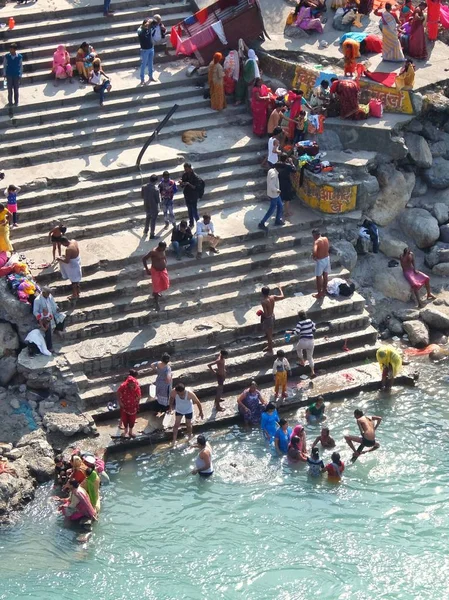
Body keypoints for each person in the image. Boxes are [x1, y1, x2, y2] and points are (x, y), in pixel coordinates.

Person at [142, 241, 170, 311]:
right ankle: (156, 302)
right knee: (156, 286)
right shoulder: (153, 252)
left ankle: (156, 293)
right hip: (156, 271)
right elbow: (144, 259)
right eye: (163, 248)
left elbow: (164, 257)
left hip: (163, 270)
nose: (164, 249)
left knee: (164, 283)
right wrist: (147, 270)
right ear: (159, 247)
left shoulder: (163, 250)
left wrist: (165, 262)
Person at [288, 309, 316, 376]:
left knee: (298, 349)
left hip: (303, 341)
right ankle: (313, 372)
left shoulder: (299, 323)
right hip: (311, 341)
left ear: (299, 317)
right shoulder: (310, 321)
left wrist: (290, 332)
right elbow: (314, 329)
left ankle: (302, 361)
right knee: (310, 357)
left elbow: (297, 332)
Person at [258, 284, 285, 355]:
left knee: (269, 335)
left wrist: (260, 313)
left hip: (268, 319)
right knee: (269, 334)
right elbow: (282, 296)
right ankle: (269, 346)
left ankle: (270, 351)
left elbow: (266, 314)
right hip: (272, 316)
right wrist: (280, 289)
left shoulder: (264, 301)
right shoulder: (273, 297)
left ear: (262, 293)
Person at [117, 372, 141, 438]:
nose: (132, 387)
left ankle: (130, 432)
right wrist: (120, 402)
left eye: (133, 385)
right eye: (130, 385)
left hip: (133, 407)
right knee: (125, 420)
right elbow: (118, 393)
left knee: (132, 420)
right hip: (124, 406)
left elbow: (139, 395)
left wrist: (137, 402)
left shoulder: (137, 387)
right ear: (128, 384)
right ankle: (125, 432)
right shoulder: (123, 386)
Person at [179, 163, 200, 228]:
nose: (185, 170)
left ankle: (199, 224)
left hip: (193, 196)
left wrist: (188, 184)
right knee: (189, 210)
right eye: (184, 169)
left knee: (194, 211)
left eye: (186, 169)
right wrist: (181, 183)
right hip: (187, 195)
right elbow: (182, 185)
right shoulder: (185, 175)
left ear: (190, 169)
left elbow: (196, 187)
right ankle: (191, 223)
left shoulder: (195, 177)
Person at [275, 154, 296, 219]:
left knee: (280, 197)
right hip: (286, 183)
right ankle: (287, 212)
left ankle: (280, 211)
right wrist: (291, 162)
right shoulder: (288, 166)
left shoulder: (276, 164)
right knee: (287, 199)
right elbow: (294, 170)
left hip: (278, 182)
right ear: (286, 159)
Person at [312, 228, 330, 299]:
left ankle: (319, 294)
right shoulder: (325, 238)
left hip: (320, 261)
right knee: (325, 275)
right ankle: (324, 291)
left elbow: (314, 251)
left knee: (318, 277)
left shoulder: (317, 242)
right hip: (327, 258)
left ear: (314, 235)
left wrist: (314, 256)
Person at [142, 174, 160, 239]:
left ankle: (146, 230)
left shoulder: (144, 187)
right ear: (155, 181)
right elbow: (158, 200)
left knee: (148, 217)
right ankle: (152, 234)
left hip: (146, 205)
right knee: (153, 220)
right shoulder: (156, 189)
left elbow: (142, 196)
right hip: (154, 207)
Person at [137, 19, 155, 85]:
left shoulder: (149, 28)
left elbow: (154, 25)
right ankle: (142, 79)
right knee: (143, 64)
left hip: (151, 48)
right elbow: (141, 33)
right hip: (144, 50)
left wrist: (150, 24)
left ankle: (151, 76)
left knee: (151, 63)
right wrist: (145, 27)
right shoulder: (140, 30)